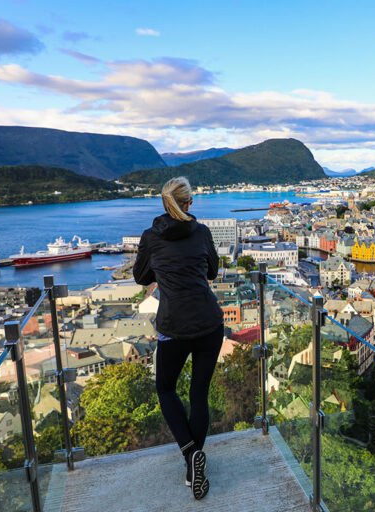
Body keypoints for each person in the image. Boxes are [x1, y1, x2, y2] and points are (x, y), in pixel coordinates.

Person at [133, 176, 224, 501]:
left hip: (173, 326)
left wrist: (163, 268)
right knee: (199, 393)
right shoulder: (201, 232)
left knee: (166, 388)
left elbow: (141, 276)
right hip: (210, 323)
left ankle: (190, 455)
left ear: (164, 204)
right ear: (188, 204)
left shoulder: (151, 236)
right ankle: (192, 466)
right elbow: (212, 271)